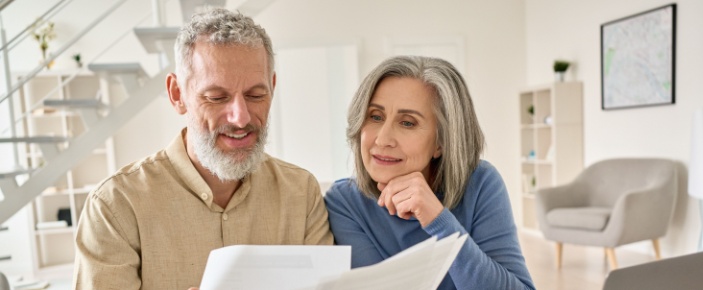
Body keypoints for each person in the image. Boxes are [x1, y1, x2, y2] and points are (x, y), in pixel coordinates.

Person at [73, 8, 333, 289]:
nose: (241, 117)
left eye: (255, 95)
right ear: (177, 94)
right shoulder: (116, 207)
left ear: (272, 87)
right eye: (217, 97)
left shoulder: (301, 193)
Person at [324, 56, 535, 290]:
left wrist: (439, 221)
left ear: (441, 141)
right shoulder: (344, 202)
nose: (382, 139)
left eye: (407, 123)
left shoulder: (480, 182)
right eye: (375, 117)